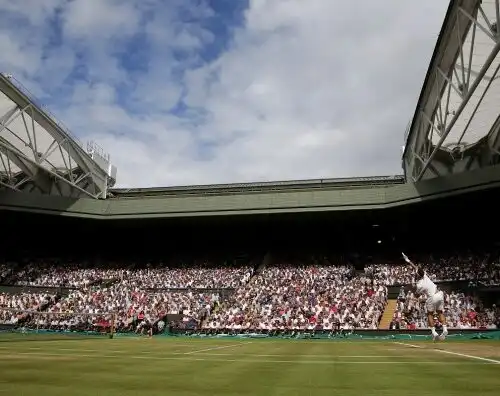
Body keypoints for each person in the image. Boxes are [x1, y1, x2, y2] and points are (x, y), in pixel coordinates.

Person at [402, 253, 448, 341]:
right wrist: (408, 261)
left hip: (432, 297)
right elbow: (416, 268)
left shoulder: (419, 285)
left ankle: (434, 333)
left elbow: (416, 295)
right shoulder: (425, 275)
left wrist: (412, 288)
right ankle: (445, 329)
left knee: (430, 314)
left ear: (417, 275)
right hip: (439, 294)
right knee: (440, 312)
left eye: (415, 274)